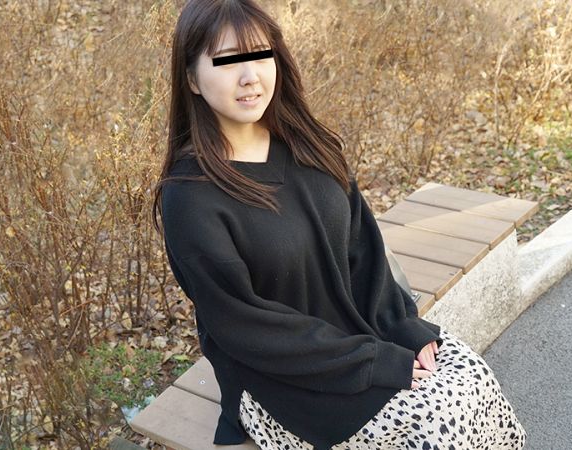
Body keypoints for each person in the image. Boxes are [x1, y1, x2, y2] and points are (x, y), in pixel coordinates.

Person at [151, 0, 527, 449]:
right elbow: (243, 325)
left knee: (472, 380)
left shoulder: (307, 145)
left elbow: (363, 249)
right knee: (433, 421)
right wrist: (374, 362)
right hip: (281, 376)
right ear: (192, 79)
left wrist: (401, 327)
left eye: (260, 55)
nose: (250, 76)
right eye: (228, 61)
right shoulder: (190, 195)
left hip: (361, 334)